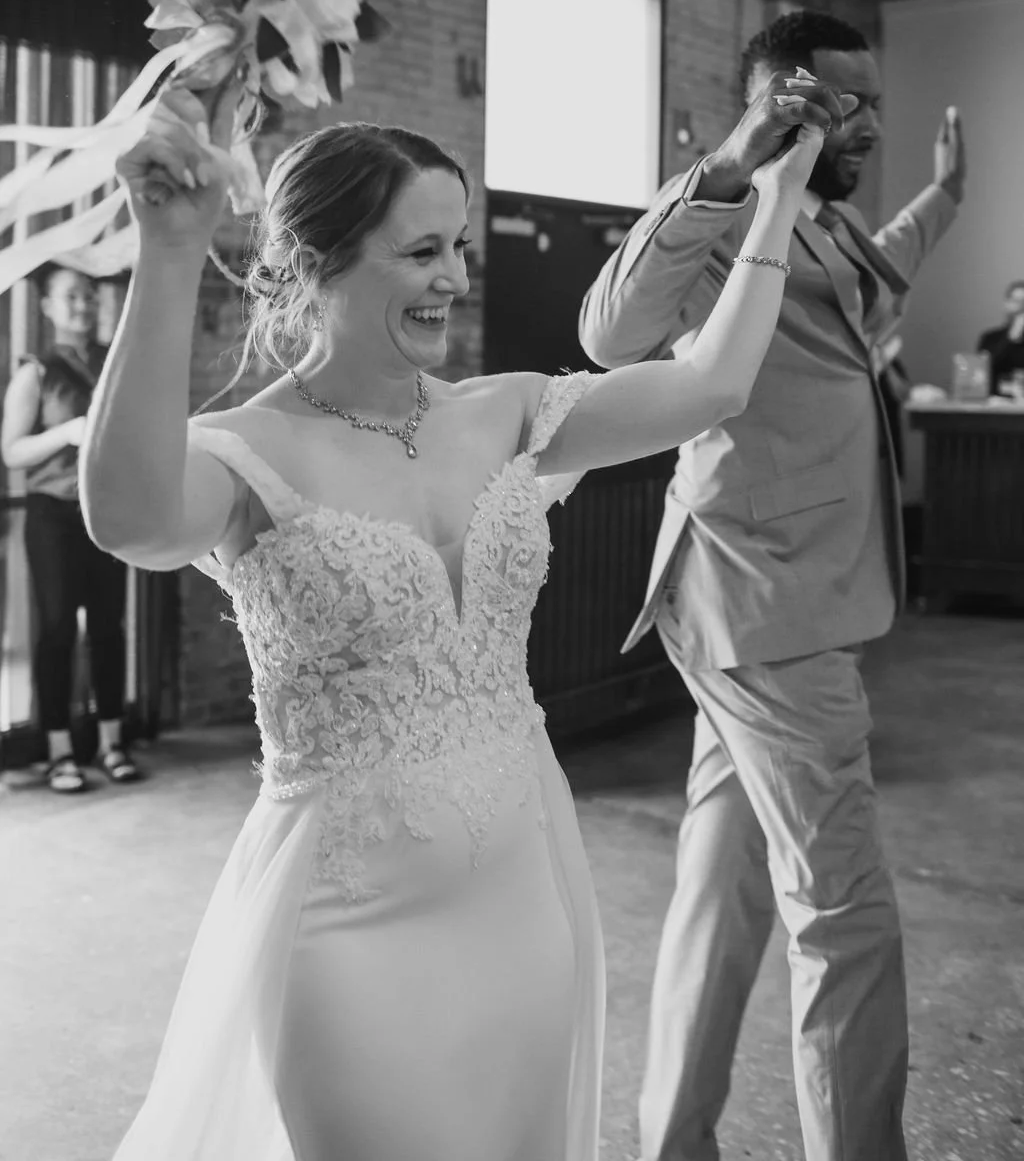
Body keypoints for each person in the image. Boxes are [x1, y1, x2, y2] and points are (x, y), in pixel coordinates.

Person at [79, 73, 843, 1161]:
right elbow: (129, 519)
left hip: (523, 890)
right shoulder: (244, 452)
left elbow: (714, 386)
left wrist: (776, 194)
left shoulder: (508, 413)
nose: (455, 278)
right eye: (422, 251)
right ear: (316, 260)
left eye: (460, 247)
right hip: (342, 921)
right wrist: (168, 251)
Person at [579, 9, 965, 1161]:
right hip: (764, 601)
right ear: (788, 97)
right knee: (844, 914)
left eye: (875, 103)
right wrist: (724, 166)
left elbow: (872, 293)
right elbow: (610, 332)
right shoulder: (732, 207)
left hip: (778, 597)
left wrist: (946, 195)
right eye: (851, 103)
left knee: (724, 889)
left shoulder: (825, 223)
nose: (869, 125)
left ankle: (672, 1140)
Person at [0, 265, 137, 792]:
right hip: (52, 516)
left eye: (89, 297)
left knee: (108, 628)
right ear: (48, 308)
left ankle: (111, 743)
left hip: (108, 512)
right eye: (72, 297)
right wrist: (66, 432)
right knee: (57, 630)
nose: (83, 306)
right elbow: (12, 451)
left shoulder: (114, 361)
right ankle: (59, 752)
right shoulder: (35, 373)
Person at [976, 279, 1024, 394]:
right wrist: (1010, 338)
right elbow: (982, 373)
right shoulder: (990, 338)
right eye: (1017, 301)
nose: (1021, 308)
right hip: (996, 400)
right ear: (1006, 304)